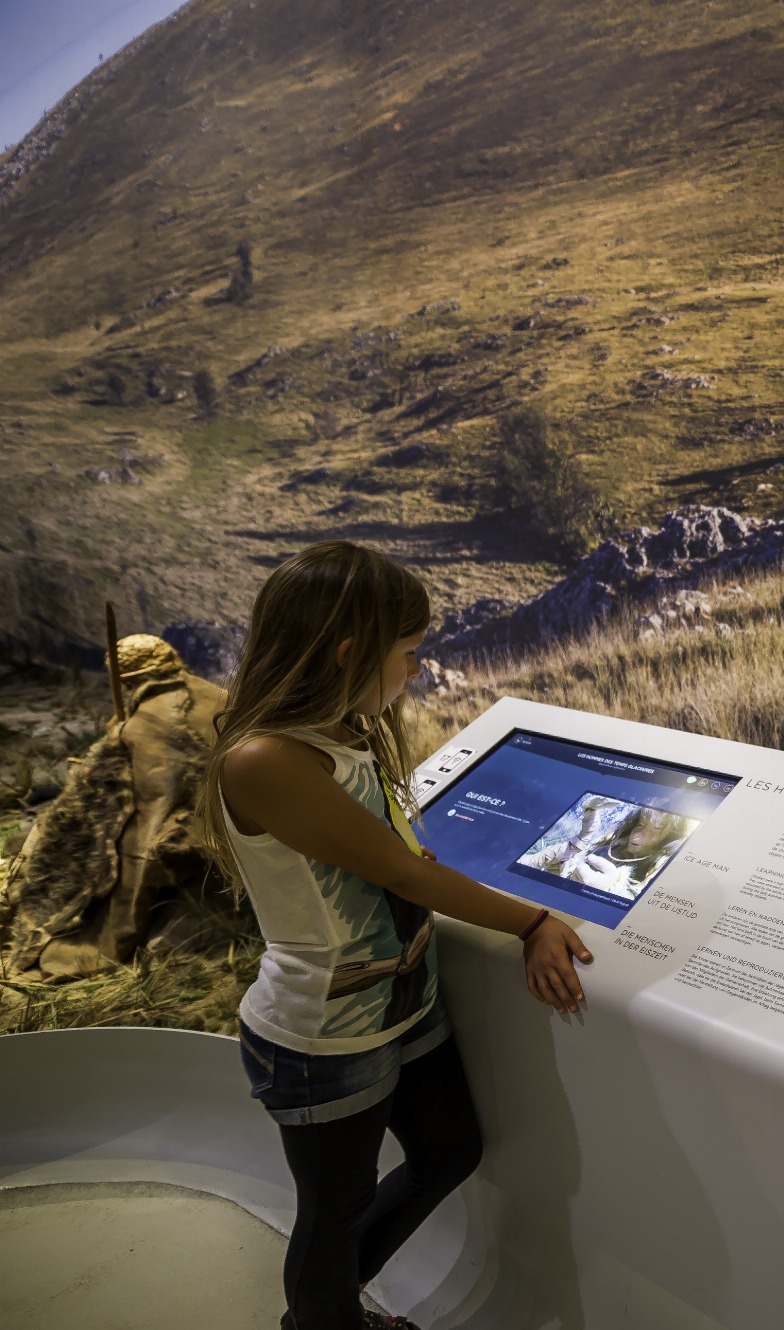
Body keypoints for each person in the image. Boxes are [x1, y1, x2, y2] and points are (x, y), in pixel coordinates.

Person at [195, 541, 594, 1330]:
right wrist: (534, 920)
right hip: (323, 1036)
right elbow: (404, 877)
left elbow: (392, 856)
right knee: (334, 1211)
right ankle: (324, 1319)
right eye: (408, 654)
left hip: (402, 1006)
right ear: (349, 653)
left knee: (449, 1152)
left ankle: (328, 1308)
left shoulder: (337, 730)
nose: (416, 671)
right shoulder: (266, 758)